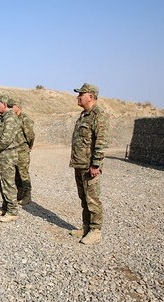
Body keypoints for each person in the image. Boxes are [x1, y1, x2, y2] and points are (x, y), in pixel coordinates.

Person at [69, 83, 109, 245]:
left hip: (89, 165)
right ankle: (86, 227)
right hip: (79, 163)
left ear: (91, 96)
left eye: (81, 94)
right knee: (83, 198)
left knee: (93, 198)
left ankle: (96, 231)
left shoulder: (98, 115)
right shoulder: (84, 115)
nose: (78, 97)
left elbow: (101, 141)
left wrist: (96, 164)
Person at [0, 94, 22, 222]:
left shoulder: (10, 118)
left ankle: (12, 211)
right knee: (3, 182)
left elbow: (6, 138)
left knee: (8, 182)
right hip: (2, 154)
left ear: (4, 104)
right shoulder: (2, 118)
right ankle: (5, 207)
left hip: (8, 155)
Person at [9, 98, 35, 205]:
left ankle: (27, 196)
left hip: (22, 150)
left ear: (18, 107)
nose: (11, 108)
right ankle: (20, 193)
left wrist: (28, 146)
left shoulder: (25, 119)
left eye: (12, 106)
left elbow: (30, 135)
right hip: (14, 151)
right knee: (16, 173)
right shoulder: (13, 118)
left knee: (23, 173)